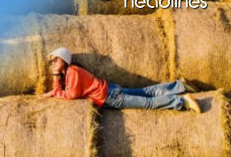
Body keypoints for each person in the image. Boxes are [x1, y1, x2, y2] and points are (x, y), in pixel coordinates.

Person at [42, 47, 201, 113]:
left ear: (65, 59)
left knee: (148, 103)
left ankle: (181, 101)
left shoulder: (73, 72)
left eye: (56, 59)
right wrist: (56, 81)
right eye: (52, 61)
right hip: (110, 90)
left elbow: (71, 95)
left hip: (110, 97)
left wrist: (56, 94)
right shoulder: (70, 72)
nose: (53, 62)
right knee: (147, 92)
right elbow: (63, 90)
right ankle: (180, 85)